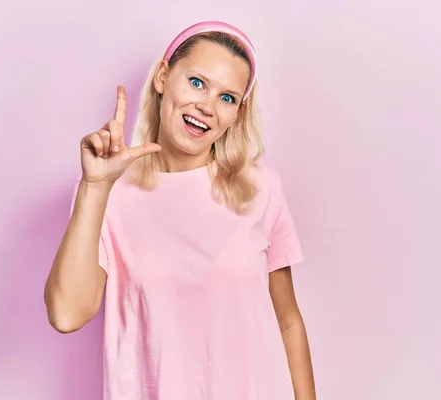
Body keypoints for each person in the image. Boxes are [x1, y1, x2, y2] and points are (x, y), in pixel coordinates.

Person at [44, 20, 317, 399]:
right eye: (197, 82)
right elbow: (67, 314)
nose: (206, 106)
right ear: (162, 76)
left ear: (237, 113)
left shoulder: (260, 188)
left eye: (227, 97)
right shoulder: (109, 191)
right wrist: (94, 187)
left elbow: (288, 320)